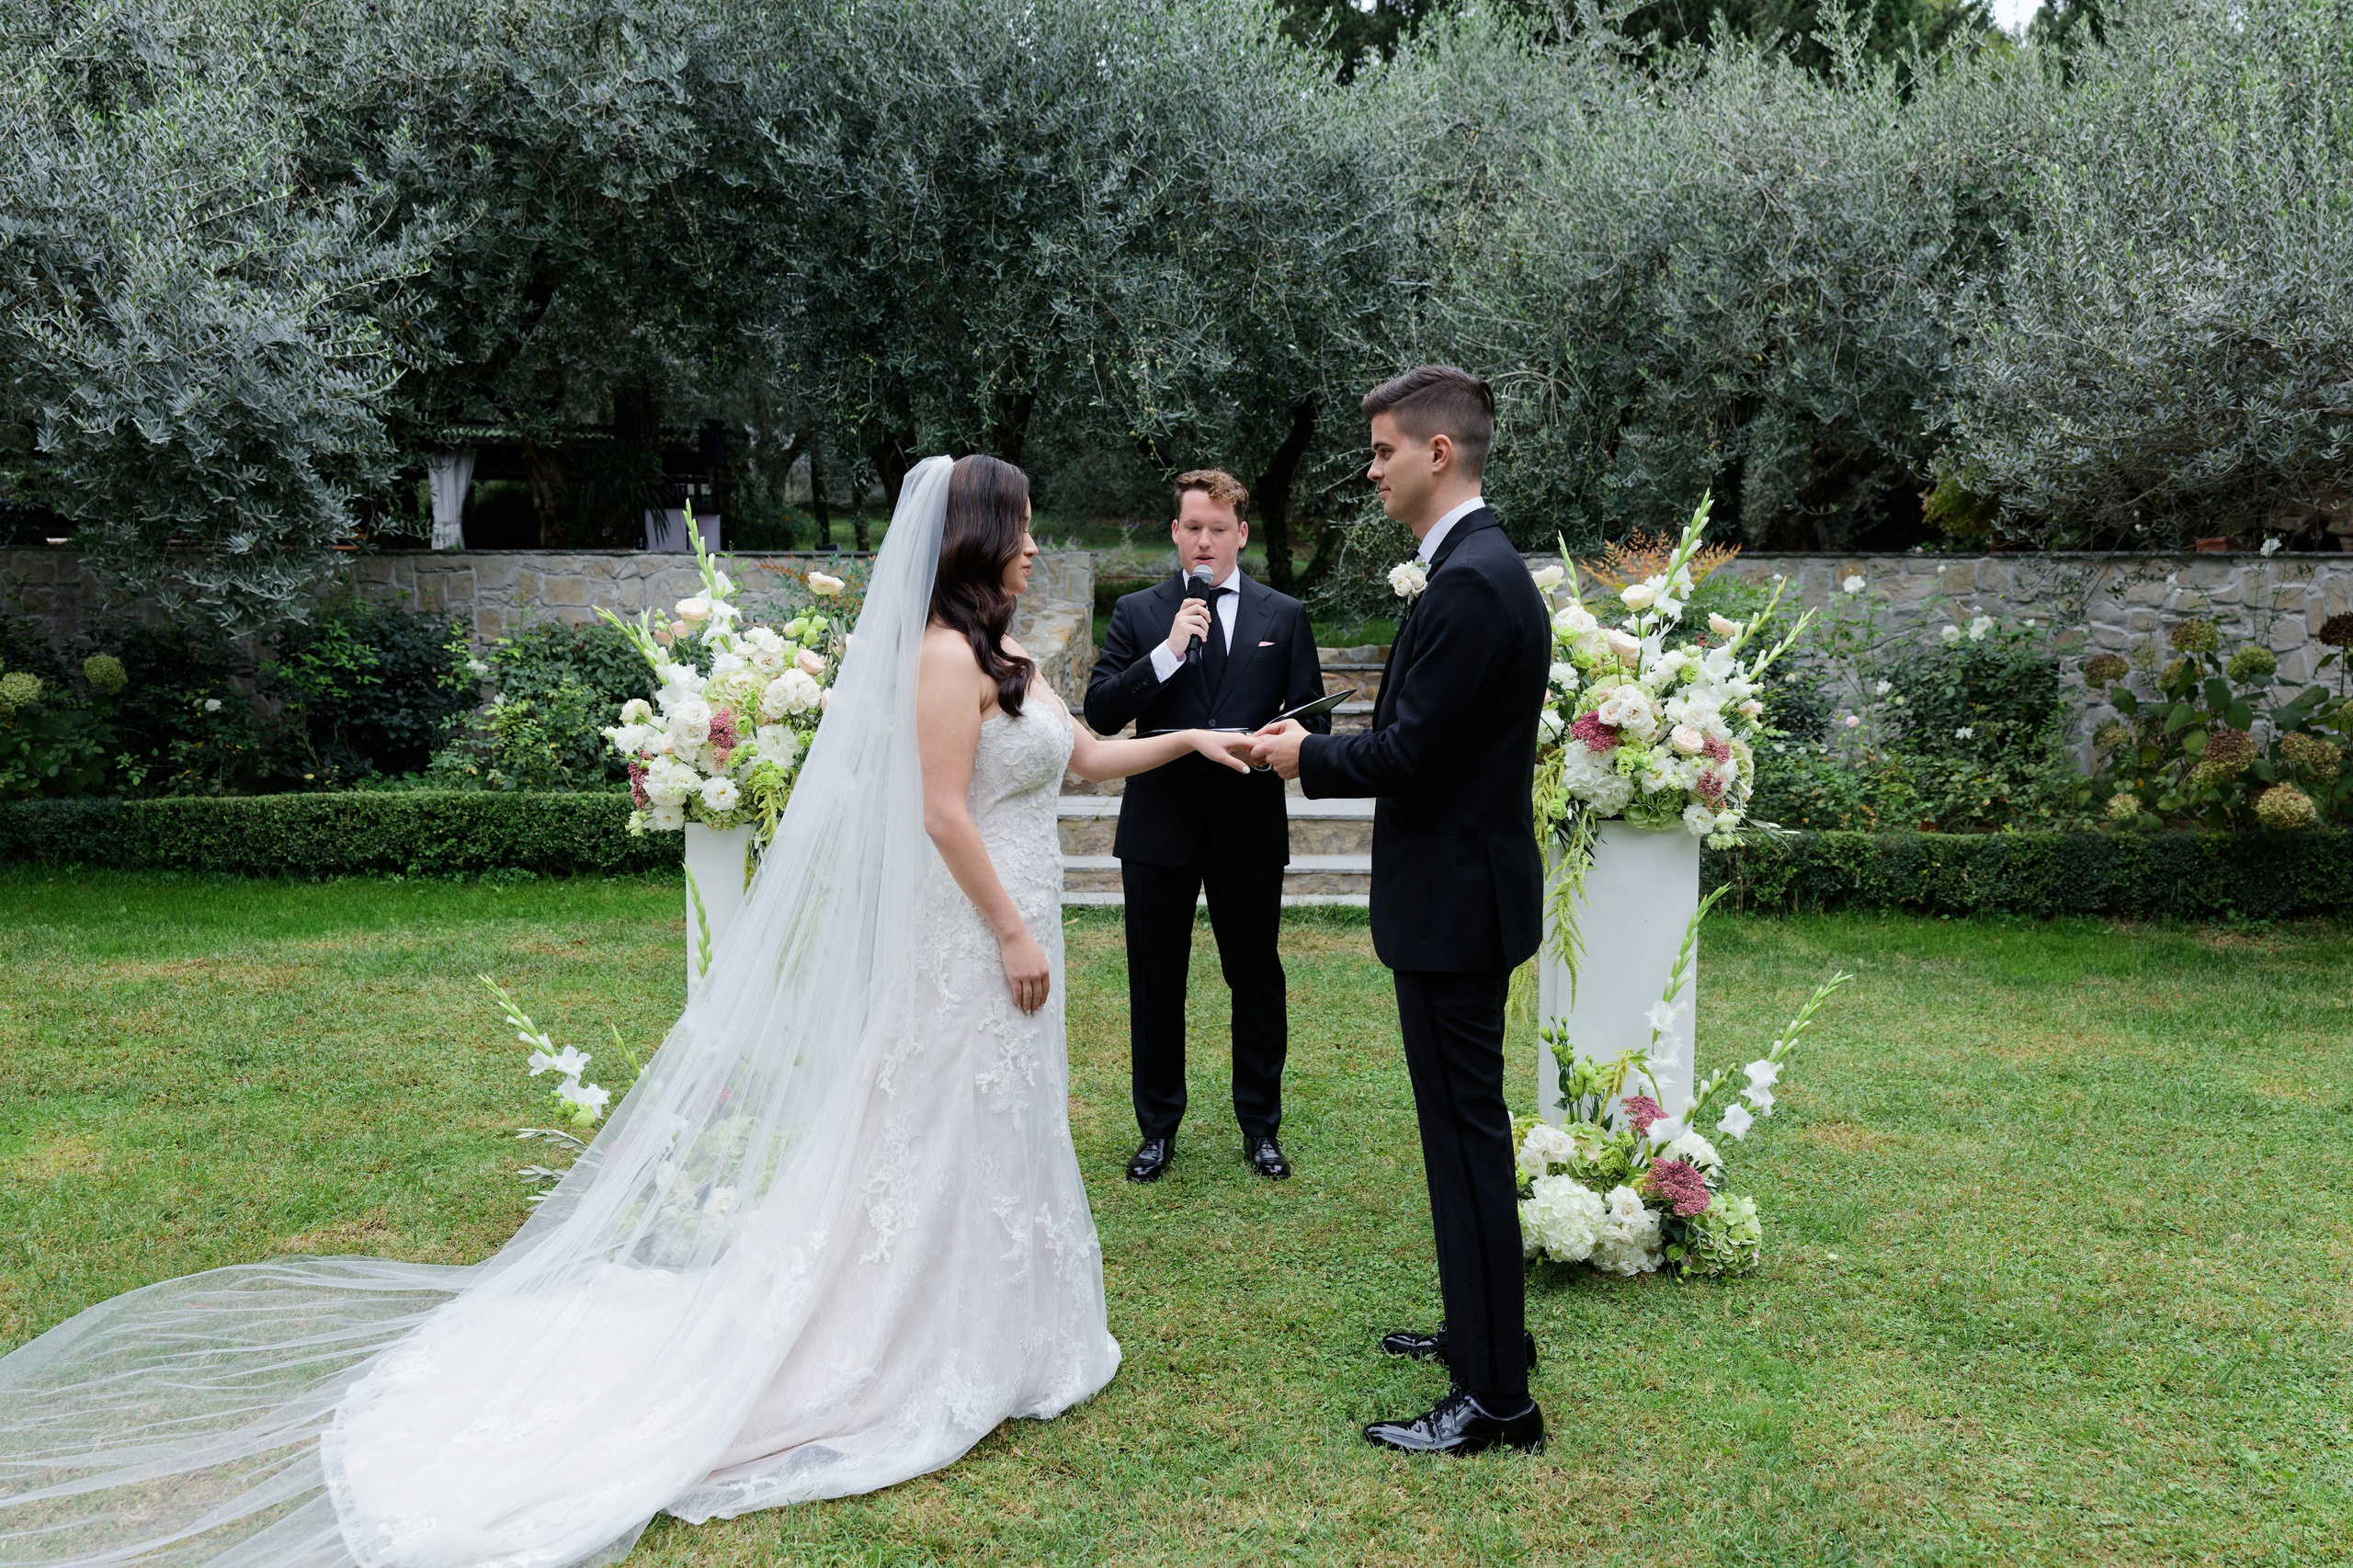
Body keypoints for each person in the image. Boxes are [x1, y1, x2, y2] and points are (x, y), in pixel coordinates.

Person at [0, 454, 1258, 1565]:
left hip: (1018, 930)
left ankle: (1020, 1332)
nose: (1036, 541)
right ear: (978, 537)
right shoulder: (936, 657)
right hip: (976, 935)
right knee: (929, 1125)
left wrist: (1191, 744)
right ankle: (908, 1345)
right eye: (1023, 525)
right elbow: (939, 813)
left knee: (1001, 1121)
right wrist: (1011, 926)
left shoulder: (1010, 657)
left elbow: (1082, 757)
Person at [1252, 367, 1551, 1458]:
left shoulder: (1472, 580)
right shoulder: (1468, 567)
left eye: (1382, 450)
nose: (1370, 468)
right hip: (1461, 898)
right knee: (1457, 1133)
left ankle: (1497, 1401)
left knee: (1465, 1140)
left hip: (1454, 907)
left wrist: (1302, 755)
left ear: (1437, 453)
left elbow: (1413, 754)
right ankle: (1480, 1334)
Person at [1084, 469, 1328, 1185]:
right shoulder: (1138, 612)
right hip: (1159, 826)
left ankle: (1261, 1128)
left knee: (1254, 977)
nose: (1204, 541)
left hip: (1247, 823)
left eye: (1218, 529)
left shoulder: (1283, 615)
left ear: (1241, 536)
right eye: (1192, 527)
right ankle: (1157, 1128)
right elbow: (1099, 716)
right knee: (1157, 982)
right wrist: (1165, 652)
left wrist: (1286, 732)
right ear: (1175, 532)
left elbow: (1320, 717)